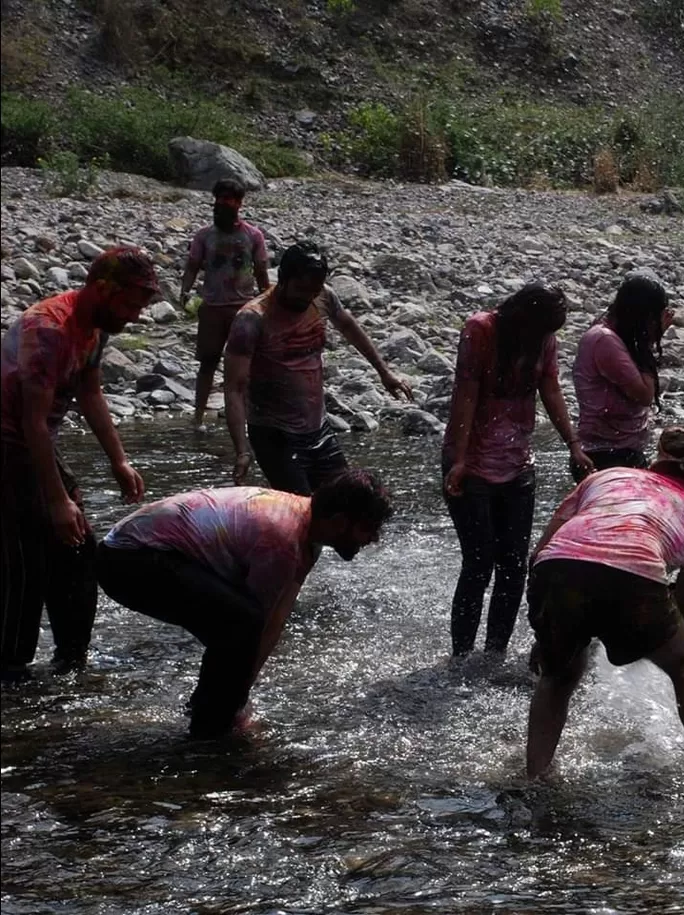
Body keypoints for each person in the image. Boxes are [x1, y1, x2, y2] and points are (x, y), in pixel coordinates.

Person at [95, 469, 393, 737]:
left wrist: (241, 692)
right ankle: (208, 732)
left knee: (239, 626)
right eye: (368, 528)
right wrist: (237, 701)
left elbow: (275, 620)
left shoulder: (307, 535)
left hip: (139, 555)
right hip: (128, 560)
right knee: (239, 623)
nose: (373, 539)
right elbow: (253, 626)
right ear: (340, 521)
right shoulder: (283, 537)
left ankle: (209, 712)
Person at [525, 427, 684, 778]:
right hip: (635, 575)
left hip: (557, 569)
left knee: (558, 675)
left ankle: (536, 774)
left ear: (655, 463)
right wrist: (648, 635)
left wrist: (546, 631)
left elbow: (543, 550)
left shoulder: (607, 477)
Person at [1, 247, 159, 683]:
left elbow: (90, 392)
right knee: (25, 560)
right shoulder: (50, 329)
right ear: (101, 290)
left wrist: (119, 459)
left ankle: (71, 664)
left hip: (32, 444)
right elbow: (31, 421)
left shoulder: (95, 326)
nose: (135, 317)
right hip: (9, 440)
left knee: (76, 549)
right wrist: (56, 500)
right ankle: (11, 670)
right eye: (130, 305)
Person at [442, 283, 592, 657]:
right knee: (479, 562)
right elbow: (466, 393)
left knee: (513, 566)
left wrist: (573, 444)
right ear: (522, 317)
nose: (543, 338)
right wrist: (459, 460)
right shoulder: (481, 330)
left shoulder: (543, 339)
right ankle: (461, 656)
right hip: (471, 465)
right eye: (540, 329)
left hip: (517, 465)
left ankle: (494, 653)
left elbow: (551, 389)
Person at [224, 241, 413, 495]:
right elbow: (234, 387)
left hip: (317, 428)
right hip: (274, 435)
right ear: (283, 279)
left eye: (313, 290)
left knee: (346, 503)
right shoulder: (252, 319)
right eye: (301, 289)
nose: (307, 296)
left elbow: (348, 327)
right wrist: (242, 450)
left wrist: (384, 373)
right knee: (302, 510)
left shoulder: (323, 296)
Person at [179, 178, 271, 431]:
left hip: (244, 309)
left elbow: (262, 271)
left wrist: (268, 302)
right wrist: (184, 291)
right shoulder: (204, 236)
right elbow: (192, 266)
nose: (221, 203)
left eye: (228, 199)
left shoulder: (253, 235)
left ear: (239, 203)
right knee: (207, 362)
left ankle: (251, 416)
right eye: (219, 198)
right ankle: (198, 417)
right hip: (212, 307)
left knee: (246, 364)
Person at [570, 271, 672, 482]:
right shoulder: (604, 339)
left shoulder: (614, 333)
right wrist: (649, 340)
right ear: (642, 315)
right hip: (606, 455)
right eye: (654, 318)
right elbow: (644, 394)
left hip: (616, 451)